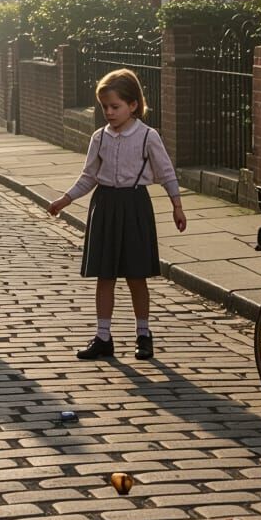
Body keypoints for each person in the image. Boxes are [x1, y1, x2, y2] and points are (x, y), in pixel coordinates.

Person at [48, 68, 187, 361]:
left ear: (133, 105)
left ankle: (143, 334)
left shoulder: (148, 136)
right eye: (105, 107)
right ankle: (103, 336)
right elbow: (89, 176)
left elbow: (166, 172)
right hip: (105, 206)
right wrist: (65, 199)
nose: (109, 112)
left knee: (137, 276)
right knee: (105, 275)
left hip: (135, 205)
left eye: (115, 106)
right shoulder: (99, 137)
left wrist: (177, 204)